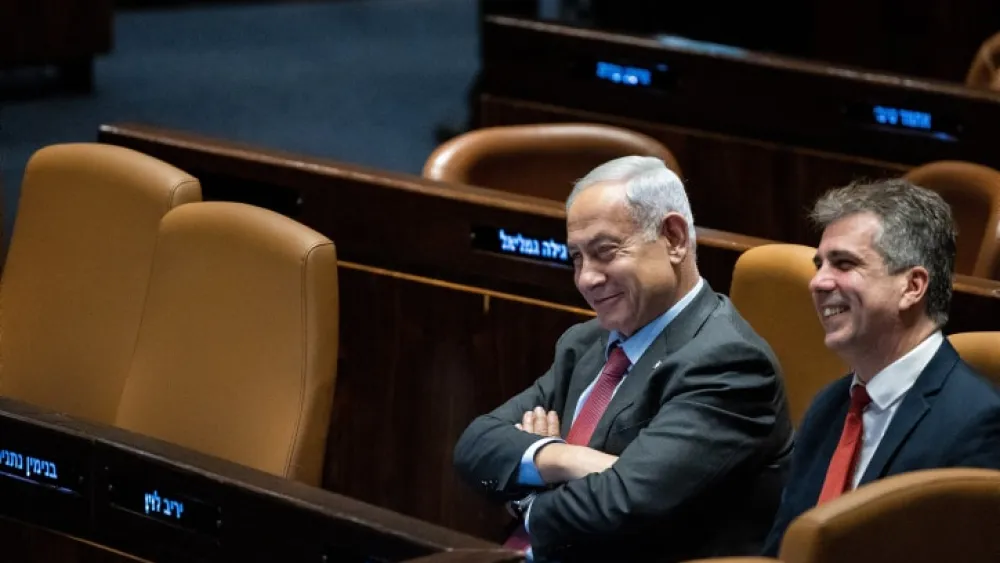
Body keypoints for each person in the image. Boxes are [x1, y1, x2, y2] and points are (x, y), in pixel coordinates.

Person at [453, 156, 793, 562]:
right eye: (577, 257)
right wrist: (562, 456)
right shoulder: (586, 343)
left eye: (605, 251)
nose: (586, 278)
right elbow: (474, 446)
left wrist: (524, 497)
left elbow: (623, 503)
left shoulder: (728, 363)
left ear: (674, 238)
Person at [762, 179, 1000, 555]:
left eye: (844, 264)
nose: (818, 282)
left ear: (912, 286)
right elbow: (780, 549)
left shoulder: (977, 424)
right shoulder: (829, 405)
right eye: (819, 264)